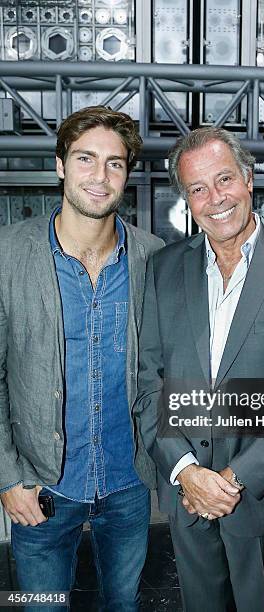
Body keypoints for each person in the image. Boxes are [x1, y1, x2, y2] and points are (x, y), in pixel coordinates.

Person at [135, 126, 264, 612]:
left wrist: (231, 480)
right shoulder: (163, 269)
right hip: (187, 497)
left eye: (224, 179)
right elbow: (147, 384)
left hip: (258, 499)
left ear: (248, 179)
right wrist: (188, 473)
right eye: (197, 189)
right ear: (186, 200)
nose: (214, 198)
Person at [0, 105, 163, 611]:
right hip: (41, 488)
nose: (100, 176)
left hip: (129, 484)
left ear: (128, 175)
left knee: (123, 604)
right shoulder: (8, 254)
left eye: (115, 163)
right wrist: (7, 477)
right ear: (60, 165)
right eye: (86, 158)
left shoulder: (154, 258)